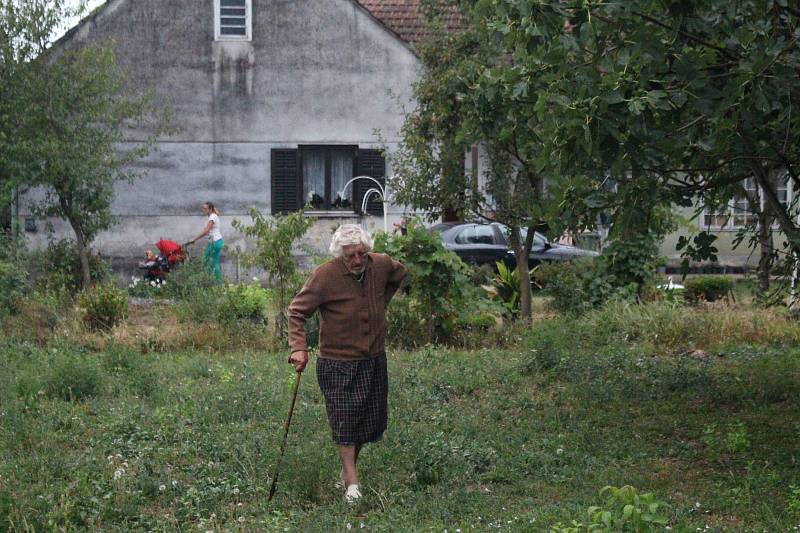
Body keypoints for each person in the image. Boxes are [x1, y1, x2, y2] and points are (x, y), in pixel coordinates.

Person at [287, 224, 407, 503]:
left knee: (368, 419)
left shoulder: (380, 264)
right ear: (340, 254)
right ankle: (352, 482)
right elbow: (296, 312)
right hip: (337, 362)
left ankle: (347, 468)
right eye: (350, 255)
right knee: (344, 420)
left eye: (361, 254)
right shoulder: (325, 276)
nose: (357, 260)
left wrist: (381, 302)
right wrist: (299, 348)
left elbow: (400, 273)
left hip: (373, 358)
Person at [187, 202, 223, 283]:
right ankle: (209, 281)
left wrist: (194, 239)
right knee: (207, 261)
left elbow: (206, 231)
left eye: (205, 208)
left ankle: (216, 283)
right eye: (203, 208)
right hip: (214, 242)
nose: (203, 210)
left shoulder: (212, 217)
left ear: (210, 209)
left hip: (215, 242)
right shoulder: (211, 216)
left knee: (211, 262)